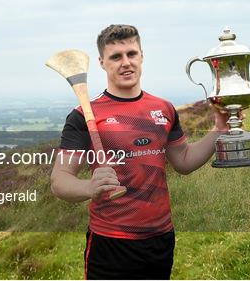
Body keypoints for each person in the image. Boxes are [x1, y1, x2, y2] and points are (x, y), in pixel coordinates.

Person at [51, 24, 229, 279]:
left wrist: (219, 130)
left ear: (142, 56)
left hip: (160, 239)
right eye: (116, 57)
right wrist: (89, 188)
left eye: (131, 54)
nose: (126, 62)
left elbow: (184, 161)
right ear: (102, 62)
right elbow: (60, 180)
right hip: (111, 243)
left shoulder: (164, 109)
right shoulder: (83, 116)